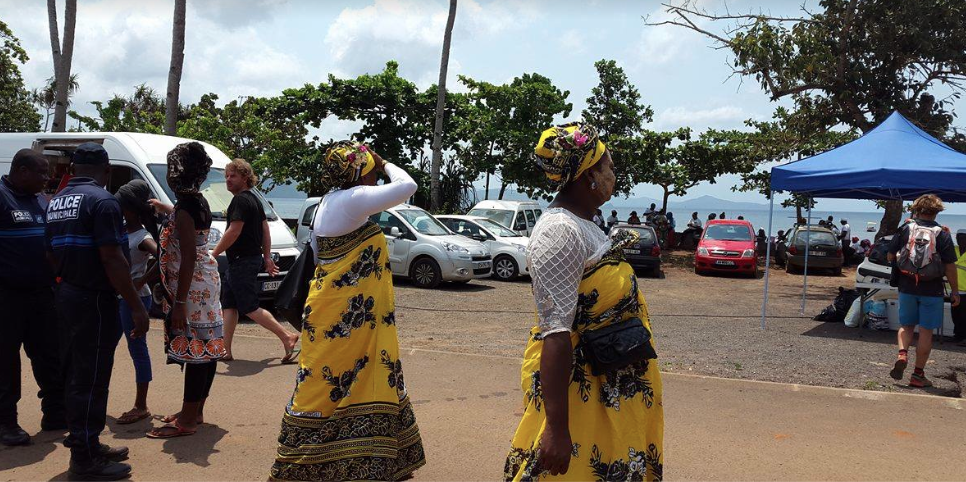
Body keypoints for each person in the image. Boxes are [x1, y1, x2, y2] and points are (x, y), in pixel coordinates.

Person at [505, 123, 662, 481]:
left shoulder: (586, 224)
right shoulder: (560, 232)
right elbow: (556, 332)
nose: (614, 175)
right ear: (589, 175)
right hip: (581, 391)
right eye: (609, 166)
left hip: (610, 383)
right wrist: (557, 429)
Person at [271, 142, 426, 480]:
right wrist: (385, 163)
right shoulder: (354, 198)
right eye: (370, 171)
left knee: (323, 379)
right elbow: (408, 186)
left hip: (331, 311)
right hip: (348, 317)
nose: (375, 177)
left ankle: (330, 458)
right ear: (360, 172)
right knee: (349, 378)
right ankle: (318, 462)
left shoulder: (327, 201)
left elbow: (318, 255)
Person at [46, 143, 147, 480]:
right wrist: (136, 305)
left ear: (72, 169)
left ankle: (88, 442)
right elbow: (113, 258)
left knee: (77, 373)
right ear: (106, 171)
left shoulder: (57, 201)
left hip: (68, 294)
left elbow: (50, 254)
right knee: (91, 378)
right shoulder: (103, 201)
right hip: (94, 300)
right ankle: (85, 458)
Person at [146, 142, 227, 439]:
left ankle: (187, 421)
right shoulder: (198, 202)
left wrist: (179, 303)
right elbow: (186, 227)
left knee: (196, 351)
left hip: (191, 288)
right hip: (205, 282)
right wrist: (166, 208)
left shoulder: (184, 209)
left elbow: (188, 256)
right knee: (206, 347)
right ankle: (195, 411)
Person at [0, 149, 65, 447]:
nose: (47, 177)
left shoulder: (42, 200)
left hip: (42, 294)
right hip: (7, 297)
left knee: (50, 355)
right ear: (22, 171)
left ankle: (55, 413)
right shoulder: (3, 197)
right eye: (41, 172)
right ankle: (6, 423)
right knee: (5, 361)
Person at [211, 158, 299, 362]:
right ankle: (225, 350)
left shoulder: (240, 201)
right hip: (243, 261)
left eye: (233, 176)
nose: (228, 179)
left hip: (242, 261)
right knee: (229, 305)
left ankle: (287, 336)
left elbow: (234, 231)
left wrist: (213, 254)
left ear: (245, 177)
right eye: (226, 176)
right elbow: (265, 230)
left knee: (249, 307)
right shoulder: (254, 200)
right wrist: (266, 257)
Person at [887, 194, 959, 388]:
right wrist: (955, 291)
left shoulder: (905, 228)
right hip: (932, 289)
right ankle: (918, 375)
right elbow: (950, 266)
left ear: (916, 209)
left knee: (906, 326)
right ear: (937, 212)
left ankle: (902, 354)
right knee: (926, 332)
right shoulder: (942, 233)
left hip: (907, 286)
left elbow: (890, 256)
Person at [113, 180, 159, 425]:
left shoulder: (142, 237)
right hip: (117, 296)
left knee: (137, 350)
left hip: (135, 299)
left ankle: (141, 405)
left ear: (130, 209)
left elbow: (163, 258)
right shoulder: (120, 229)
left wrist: (142, 280)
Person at [951, 229, 966, 345]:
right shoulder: (953, 250)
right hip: (953, 290)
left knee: (964, 316)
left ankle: (964, 338)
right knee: (955, 315)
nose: (961, 240)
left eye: (963, 238)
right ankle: (958, 336)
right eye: (958, 237)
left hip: (965, 290)